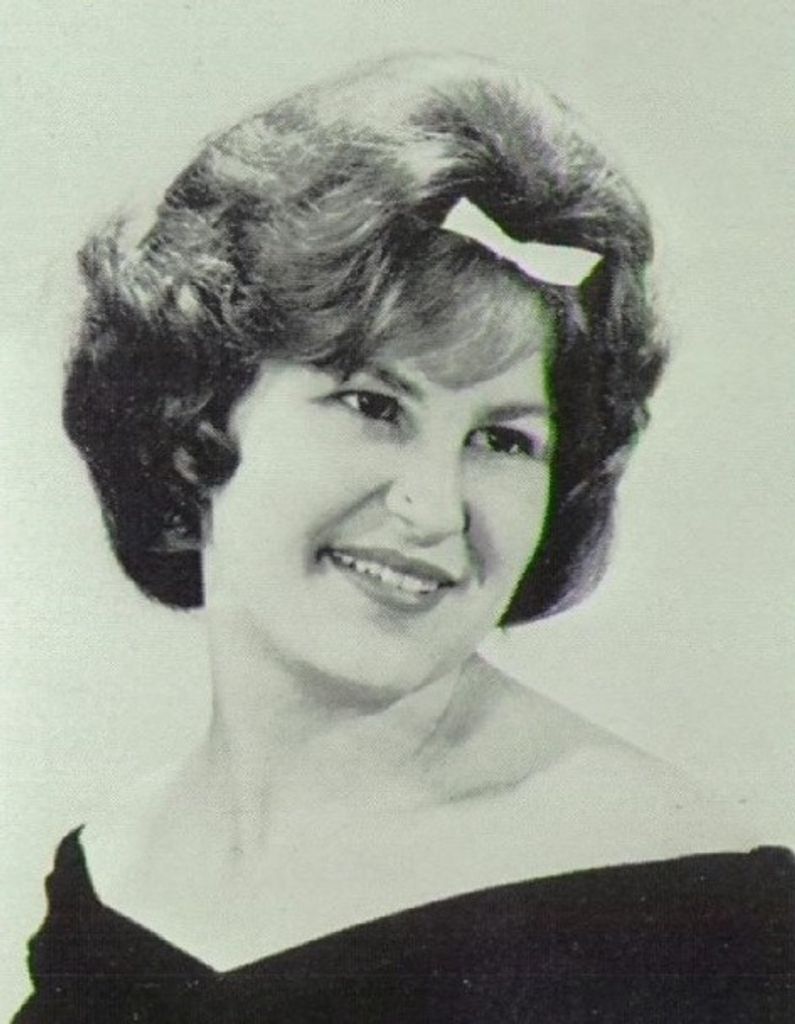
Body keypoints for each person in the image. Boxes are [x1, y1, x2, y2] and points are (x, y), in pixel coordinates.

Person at [14, 52, 793, 1022]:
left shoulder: (688, 912)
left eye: (503, 441)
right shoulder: (111, 873)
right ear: (193, 414)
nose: (434, 508)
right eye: (373, 404)